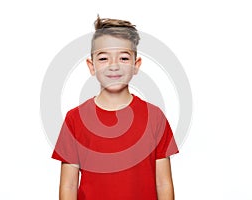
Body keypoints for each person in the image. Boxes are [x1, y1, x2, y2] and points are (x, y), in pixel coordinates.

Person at [52, 15, 179, 200]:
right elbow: (69, 185)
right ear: (92, 66)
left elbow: (163, 182)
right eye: (103, 58)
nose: (114, 66)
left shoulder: (154, 116)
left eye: (124, 58)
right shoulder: (75, 118)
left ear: (136, 65)